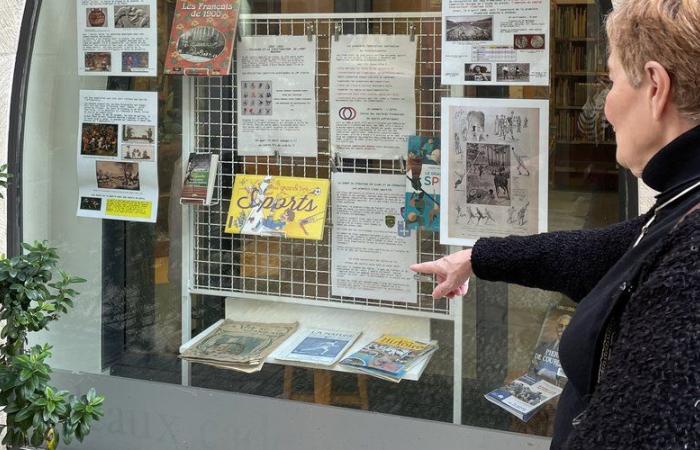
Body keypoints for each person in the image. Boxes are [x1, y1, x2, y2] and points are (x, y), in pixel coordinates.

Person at [411, 1, 699, 448]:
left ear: (656, 87)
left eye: (611, 81)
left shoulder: (690, 275)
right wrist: (476, 257)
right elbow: (614, 251)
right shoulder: (684, 204)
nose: (604, 108)